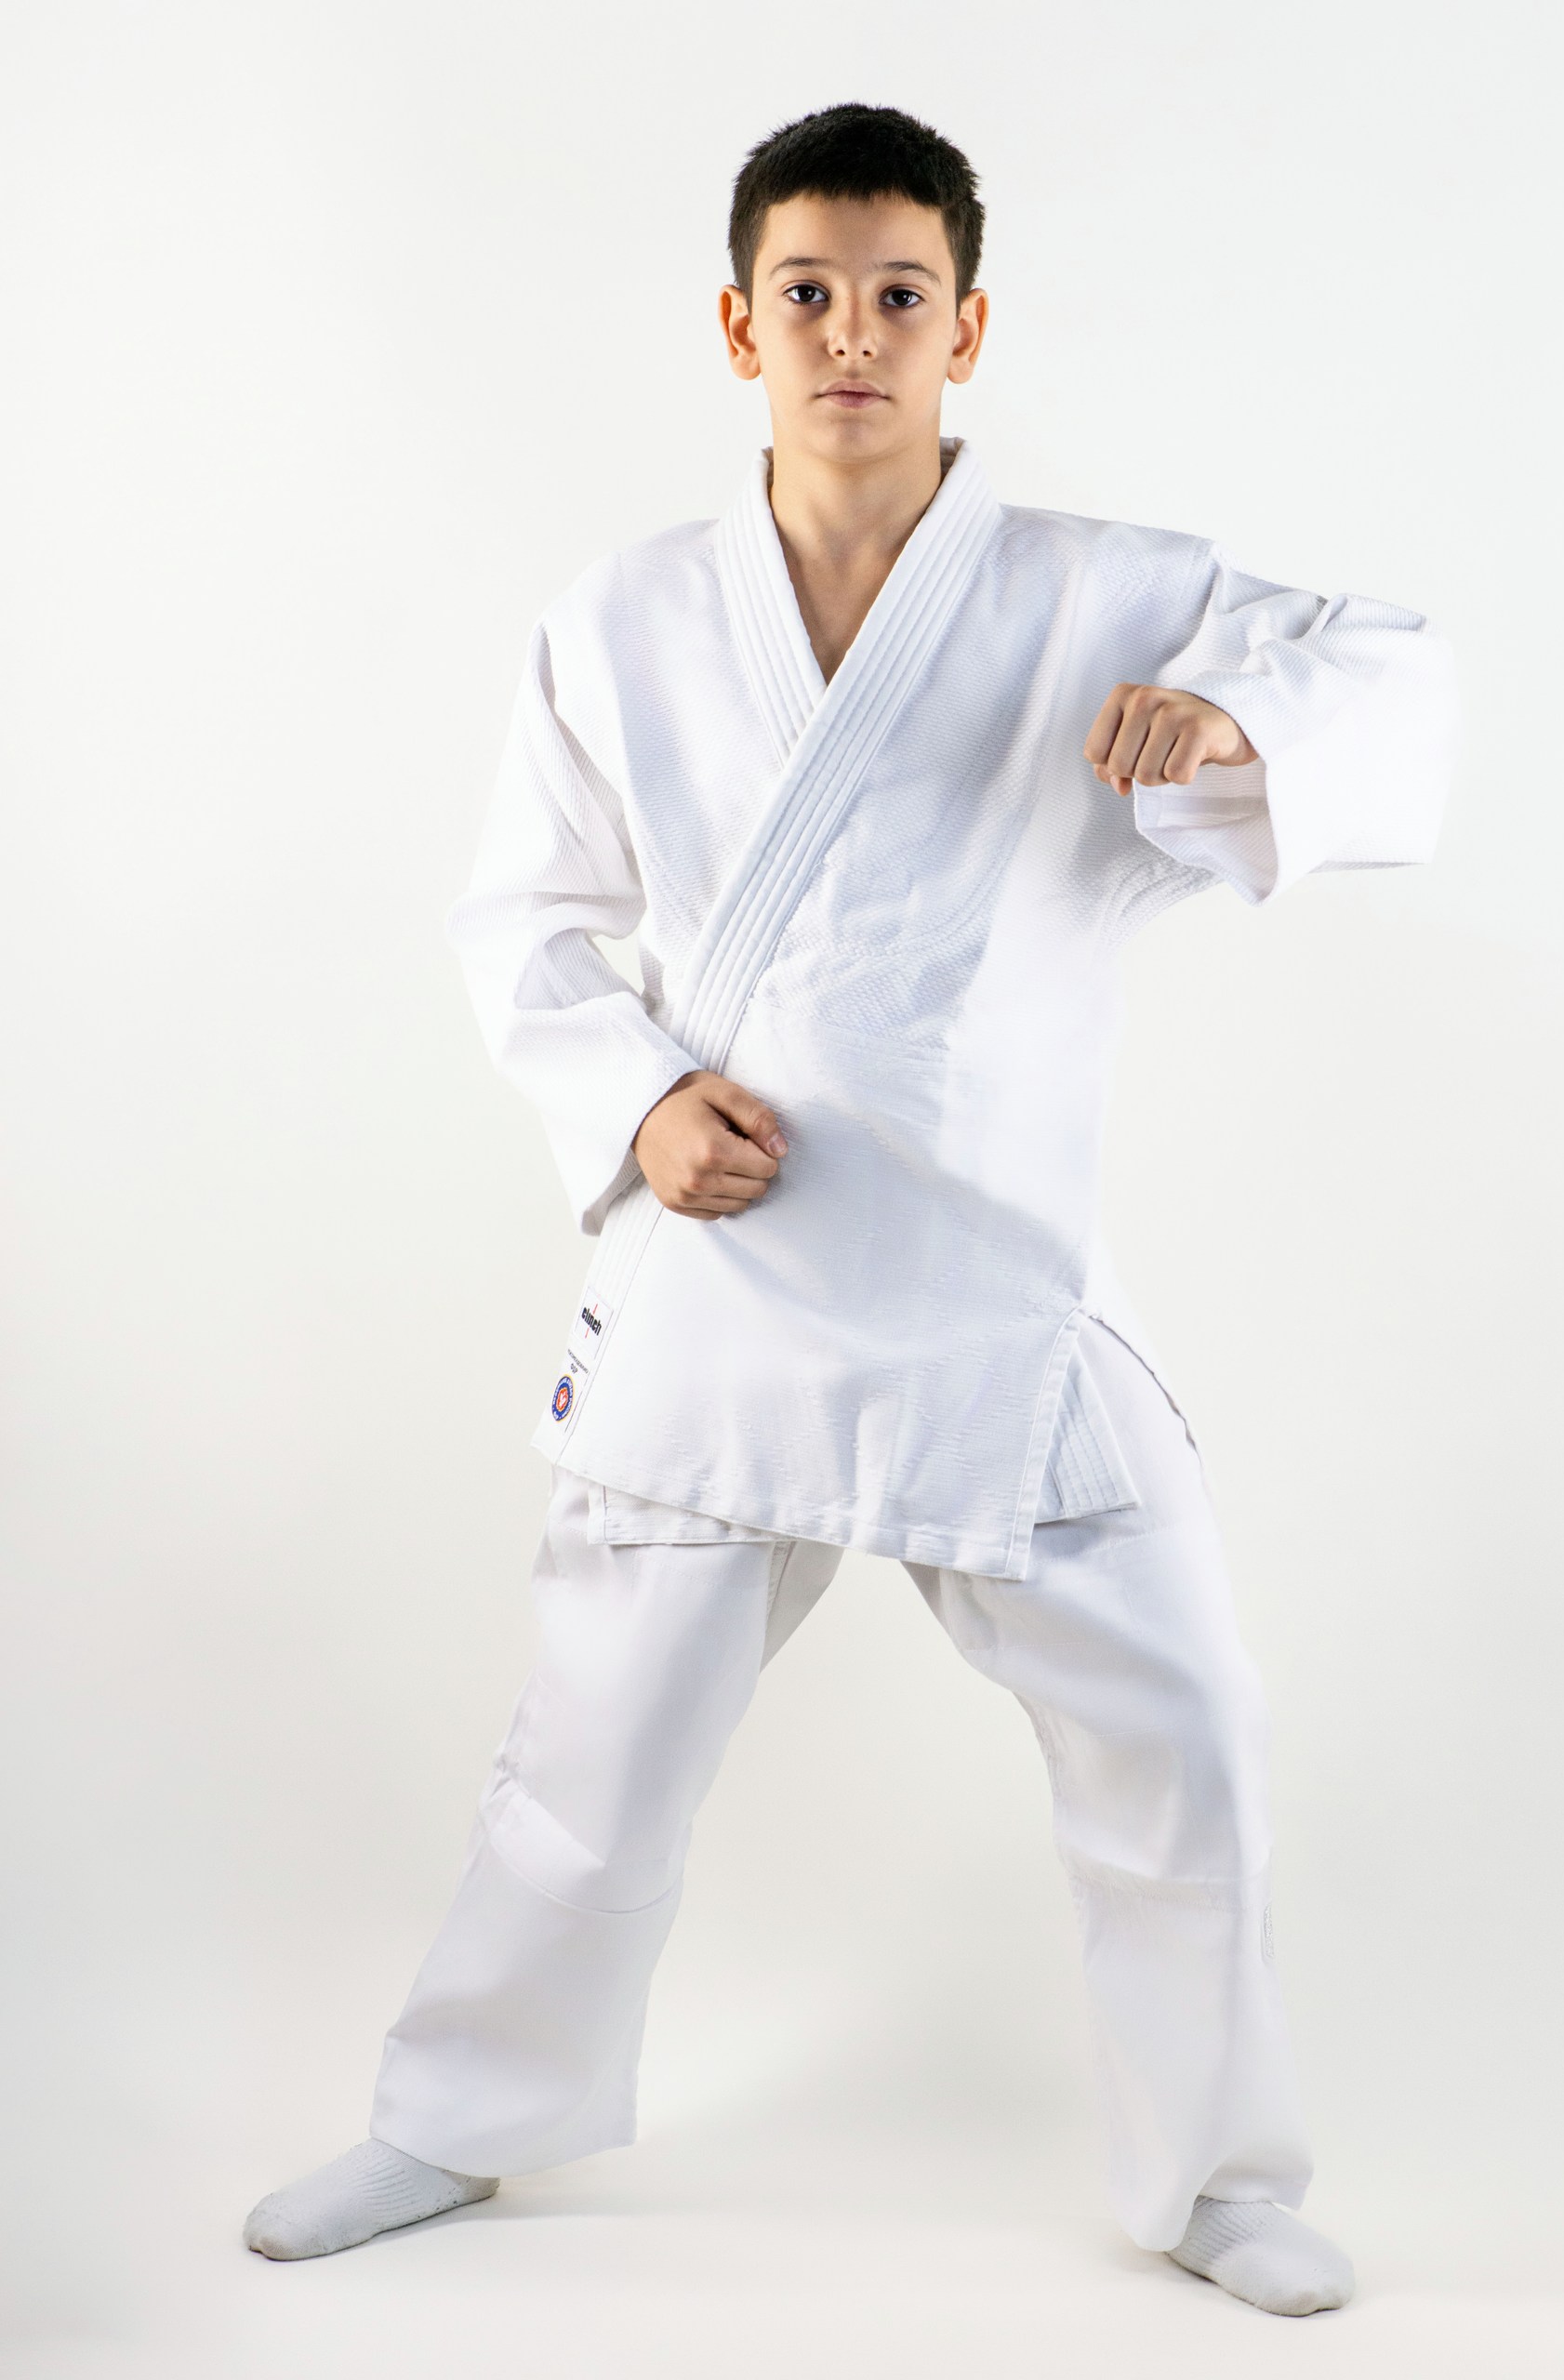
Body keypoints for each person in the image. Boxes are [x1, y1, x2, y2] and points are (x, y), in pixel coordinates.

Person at [243, 102, 1456, 2318]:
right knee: (593, 1751)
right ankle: (456, 2112)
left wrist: (1232, 712)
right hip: (729, 1268)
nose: (853, 333)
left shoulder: (1105, 592)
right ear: (740, 324)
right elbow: (520, 920)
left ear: (966, 326)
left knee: (1187, 1721)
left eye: (901, 293)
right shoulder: (622, 616)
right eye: (807, 292)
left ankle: (1214, 2175)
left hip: (1004, 1288)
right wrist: (637, 1100)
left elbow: (1393, 661)